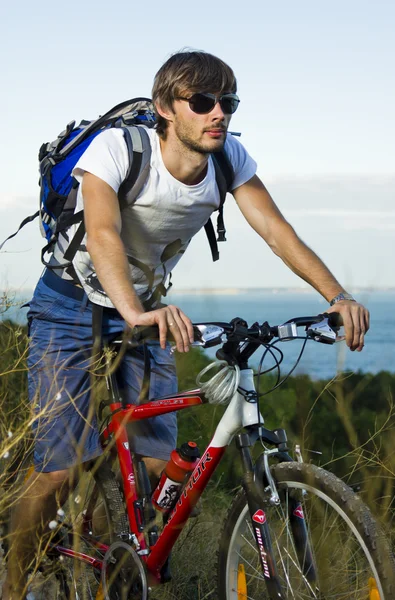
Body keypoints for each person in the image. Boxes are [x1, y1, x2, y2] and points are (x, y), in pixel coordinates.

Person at [3, 49, 369, 599]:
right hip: (72, 302)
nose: (218, 113)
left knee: (154, 466)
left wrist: (336, 295)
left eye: (227, 102)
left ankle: (113, 572)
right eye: (202, 102)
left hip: (146, 306)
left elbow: (276, 230)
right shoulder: (119, 150)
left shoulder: (229, 159)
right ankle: (11, 582)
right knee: (60, 466)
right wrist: (132, 311)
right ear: (165, 109)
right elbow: (102, 231)